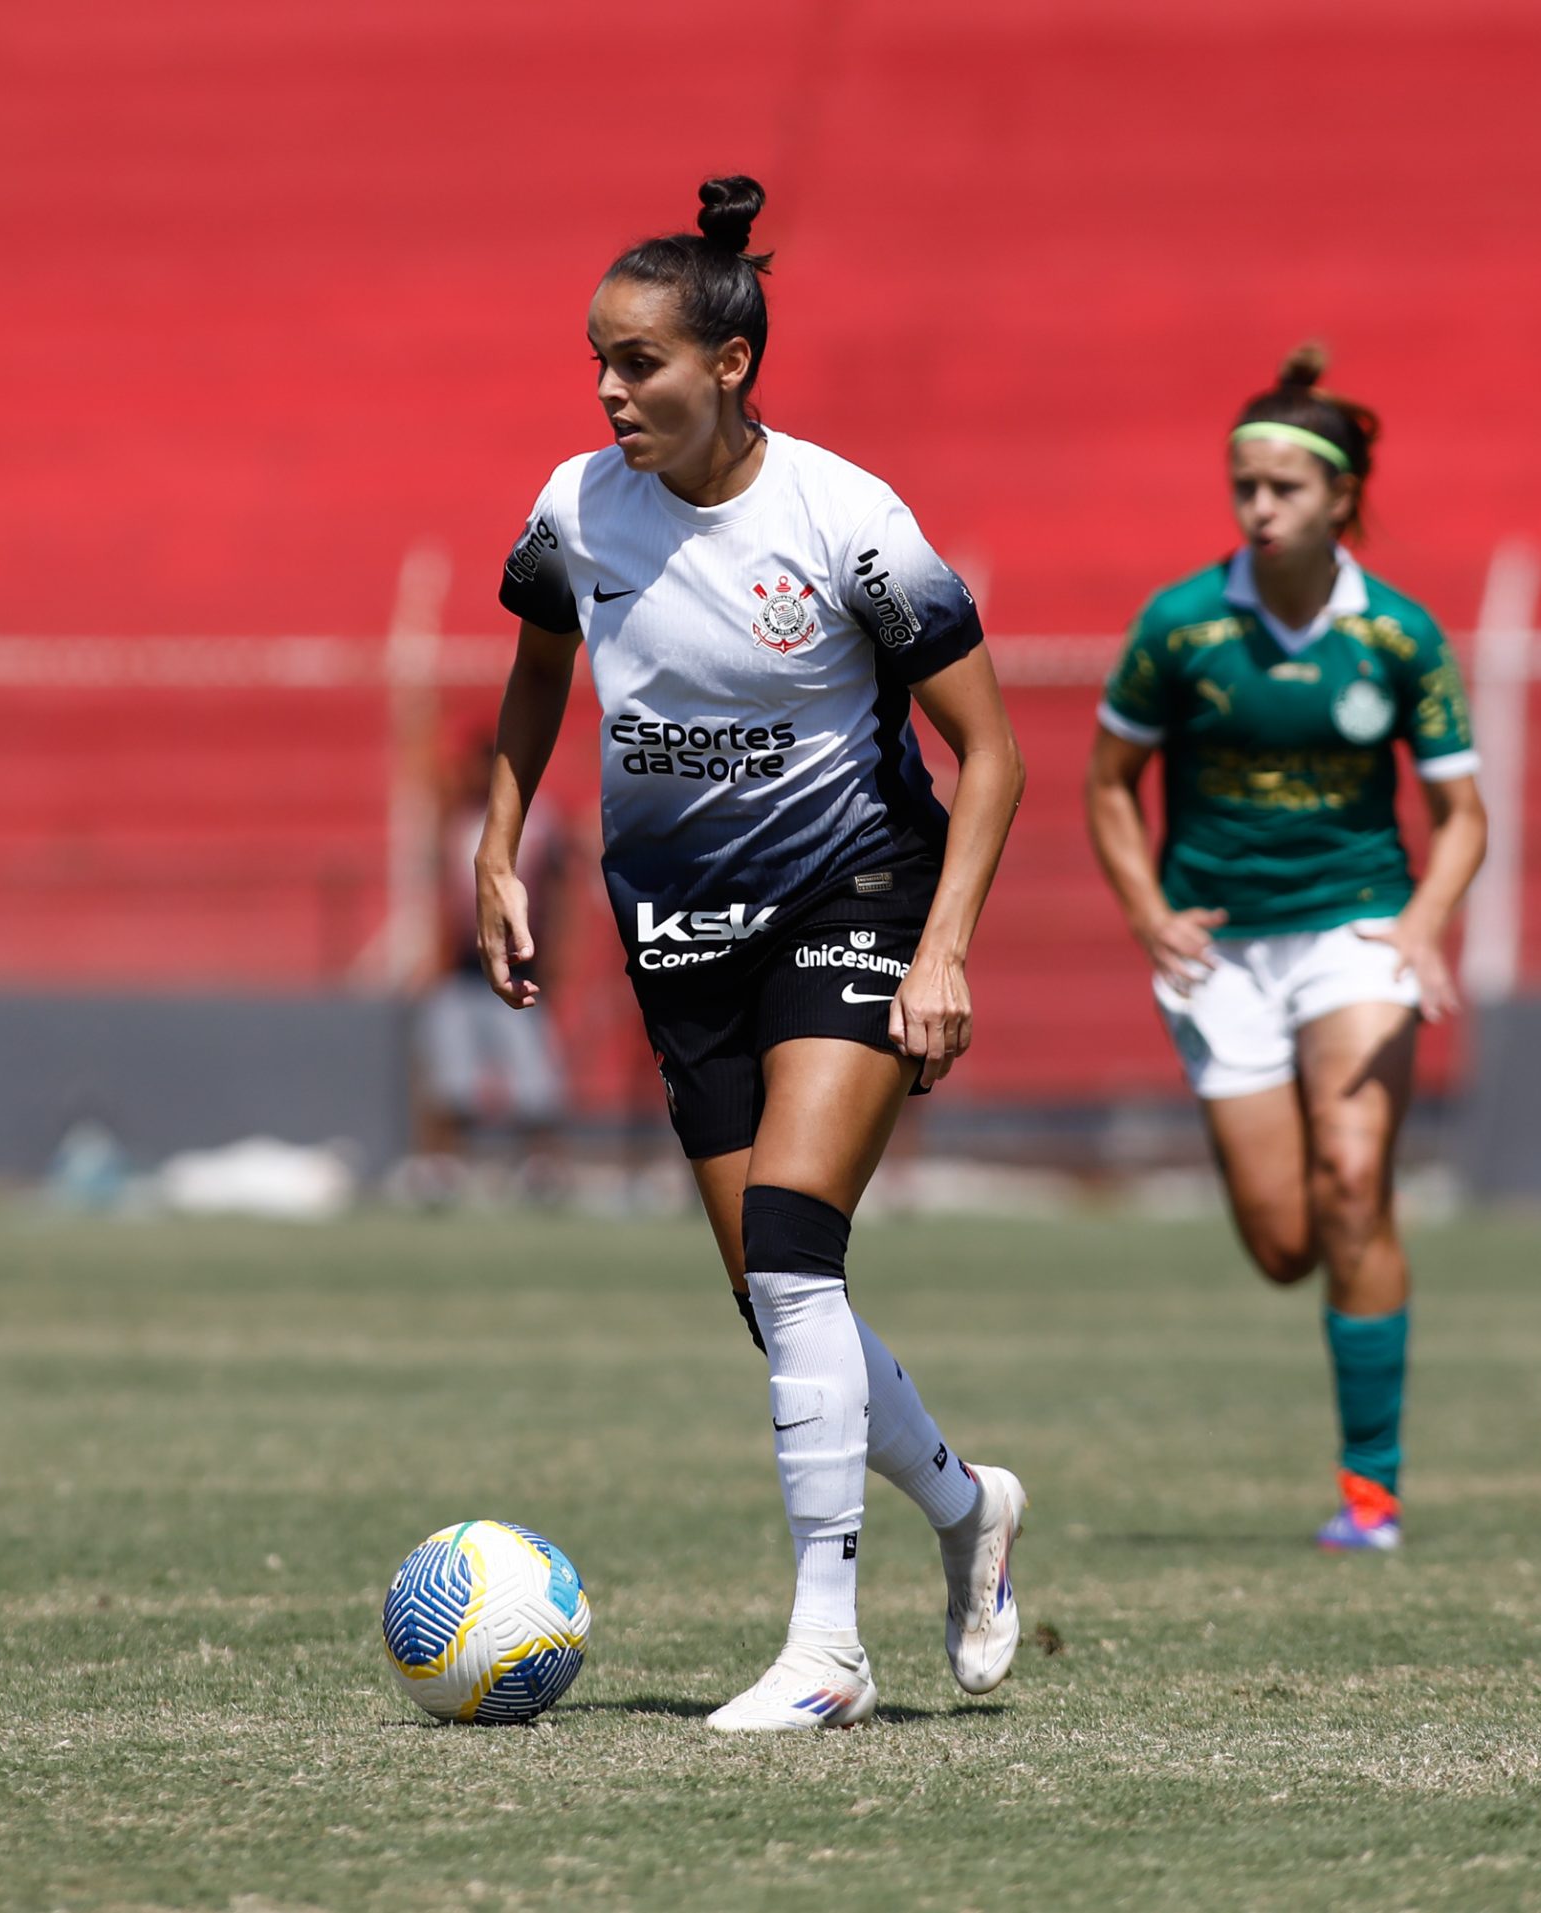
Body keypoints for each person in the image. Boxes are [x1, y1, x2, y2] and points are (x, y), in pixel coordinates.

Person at [481, 178, 1029, 1731]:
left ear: (729, 363)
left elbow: (991, 756)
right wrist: (493, 846)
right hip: (681, 935)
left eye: (638, 361)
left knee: (794, 1245)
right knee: (776, 1298)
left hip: (854, 894)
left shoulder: (852, 523)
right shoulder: (575, 507)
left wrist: (942, 955)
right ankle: (967, 1505)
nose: (607, 389)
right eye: (596, 360)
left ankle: (826, 1653)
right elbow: (533, 676)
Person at [1084, 344, 1487, 1551]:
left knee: (1354, 1185)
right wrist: (1148, 910)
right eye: (1244, 487)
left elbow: (1462, 814)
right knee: (1284, 1243)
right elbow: (1108, 784)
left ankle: (1371, 1494)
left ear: (1340, 498)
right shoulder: (1182, 625)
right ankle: (1332, 1286)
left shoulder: (1398, 636)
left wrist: (1419, 924)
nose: (1258, 509)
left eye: (1284, 489)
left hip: (1355, 929)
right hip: (1221, 954)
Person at [406, 730, 569, 1203]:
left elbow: (558, 893)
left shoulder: (538, 823)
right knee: (449, 1075)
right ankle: (442, 1167)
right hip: (461, 967)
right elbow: (440, 898)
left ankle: (543, 1167)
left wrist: (557, 956)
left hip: (520, 964)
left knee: (532, 1078)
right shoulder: (454, 822)